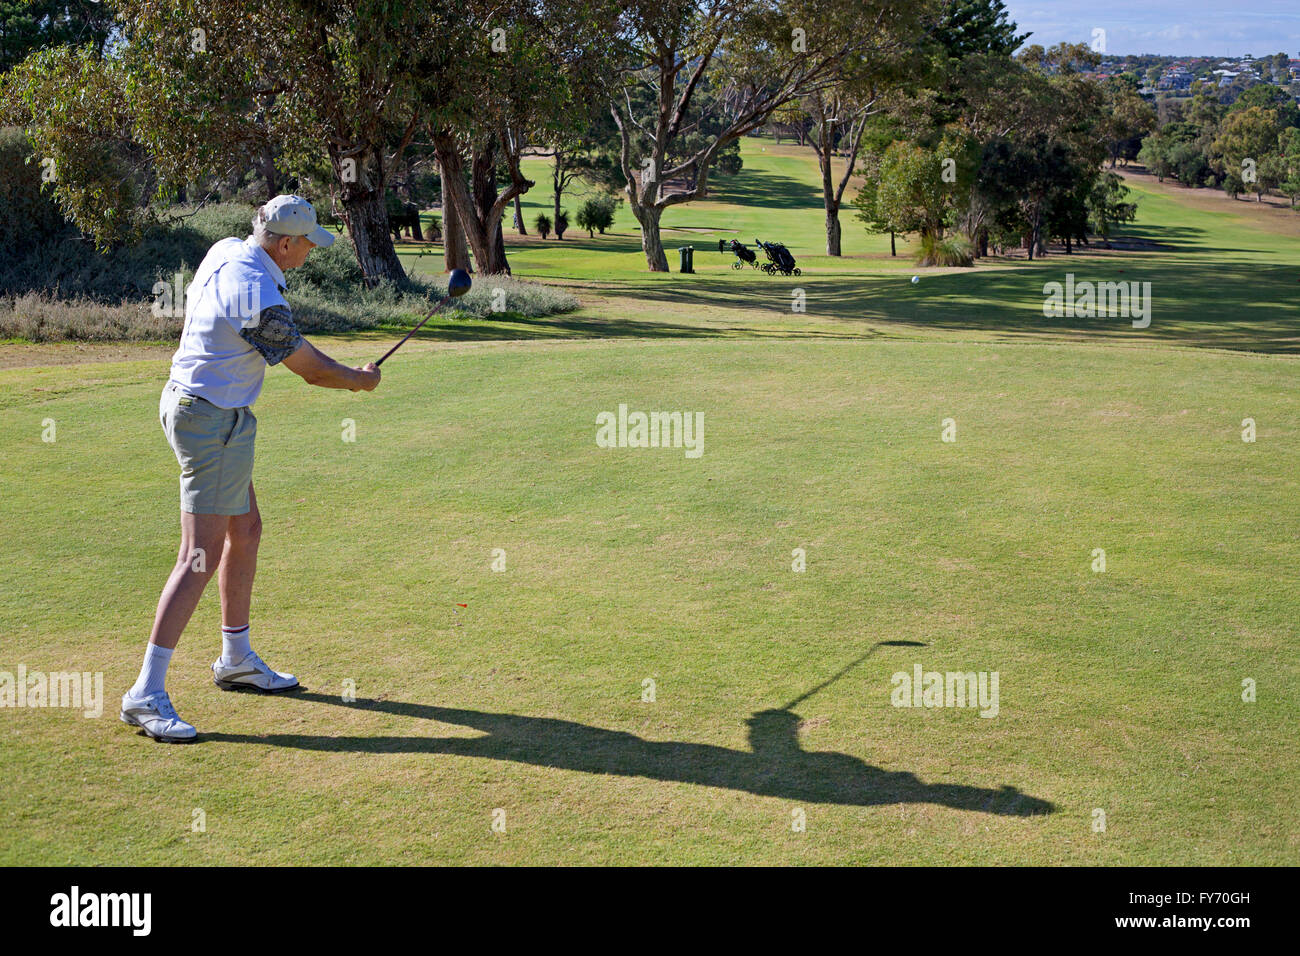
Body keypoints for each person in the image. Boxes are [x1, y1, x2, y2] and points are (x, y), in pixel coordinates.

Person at [120, 195, 381, 743]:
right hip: (210, 417)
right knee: (198, 556)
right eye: (307, 243)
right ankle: (145, 692)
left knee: (246, 529)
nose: (311, 251)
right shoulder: (256, 292)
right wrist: (358, 381)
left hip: (208, 408)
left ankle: (236, 658)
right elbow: (309, 369)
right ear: (284, 244)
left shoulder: (227, 250)